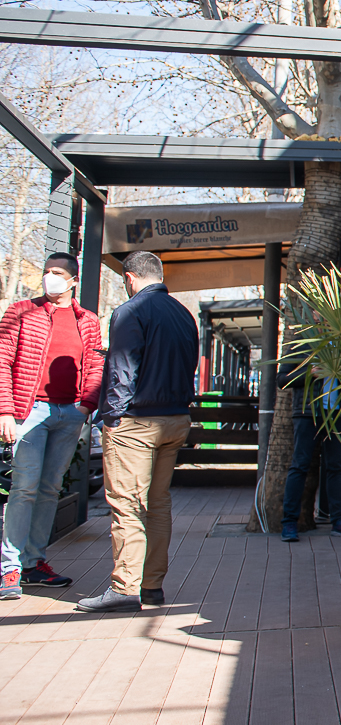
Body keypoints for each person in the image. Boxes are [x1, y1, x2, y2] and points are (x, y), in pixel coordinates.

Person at [76, 251, 198, 612]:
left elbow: (122, 370)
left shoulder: (129, 312)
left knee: (127, 506)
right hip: (175, 419)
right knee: (157, 504)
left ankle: (125, 586)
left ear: (129, 277)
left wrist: (110, 417)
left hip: (135, 423)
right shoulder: (182, 313)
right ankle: (151, 586)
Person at [0, 252, 104, 600]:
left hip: (69, 413)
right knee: (24, 487)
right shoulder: (20, 312)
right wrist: (5, 411)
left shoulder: (87, 320)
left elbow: (94, 363)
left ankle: (34, 563)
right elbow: (2, 360)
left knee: (48, 489)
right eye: (47, 272)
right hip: (29, 413)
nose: (50, 278)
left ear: (73, 280)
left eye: (57, 273)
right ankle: (10, 569)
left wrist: (86, 406)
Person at [277, 335, 341, 541]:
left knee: (335, 466)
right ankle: (289, 522)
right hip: (307, 413)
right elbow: (282, 379)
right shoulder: (303, 342)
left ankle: (338, 520)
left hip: (338, 412)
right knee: (300, 465)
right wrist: (310, 373)